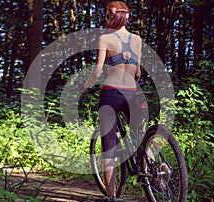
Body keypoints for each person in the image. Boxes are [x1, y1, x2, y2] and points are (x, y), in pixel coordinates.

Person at [83, 1, 142, 201]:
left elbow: (98, 71)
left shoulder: (106, 38)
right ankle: (156, 172)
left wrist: (85, 86)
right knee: (140, 136)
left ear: (112, 15)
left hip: (111, 94)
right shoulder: (137, 39)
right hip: (133, 95)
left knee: (108, 143)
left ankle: (111, 196)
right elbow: (138, 73)